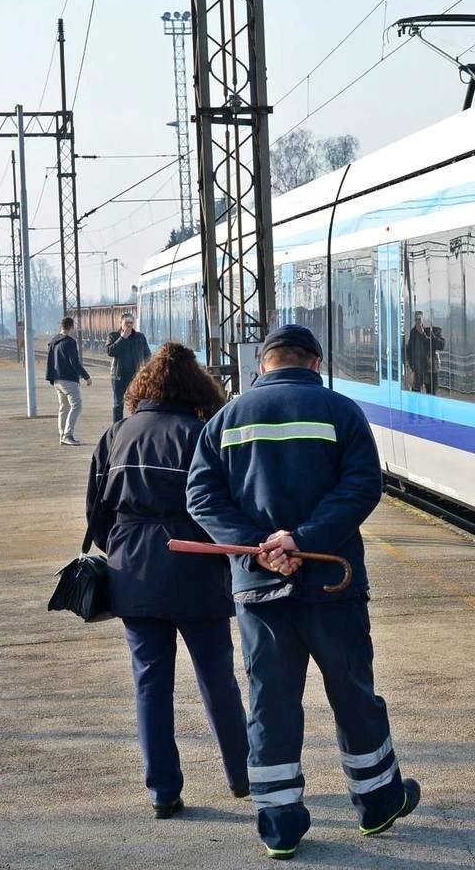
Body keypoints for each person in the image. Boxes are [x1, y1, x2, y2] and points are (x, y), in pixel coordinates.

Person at [186, 324, 419, 860]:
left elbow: (200, 494)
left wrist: (258, 546)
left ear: (262, 365)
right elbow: (362, 485)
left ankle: (279, 823)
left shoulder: (225, 420)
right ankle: (379, 800)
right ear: (315, 363)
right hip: (331, 583)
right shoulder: (340, 412)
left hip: (258, 590)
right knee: (353, 693)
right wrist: (302, 540)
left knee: (270, 703)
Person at [84, 342, 250, 818]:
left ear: (144, 386)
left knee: (150, 684)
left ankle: (163, 792)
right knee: (218, 678)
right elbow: (227, 506)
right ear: (196, 387)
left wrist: (122, 548)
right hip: (198, 567)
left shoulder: (115, 436)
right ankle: (242, 776)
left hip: (133, 572)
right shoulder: (203, 434)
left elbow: (96, 515)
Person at [46, 316, 93, 446]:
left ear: (61, 326)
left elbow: (49, 361)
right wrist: (86, 376)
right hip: (68, 380)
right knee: (77, 406)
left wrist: (51, 378)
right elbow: (75, 363)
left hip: (57, 380)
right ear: (71, 327)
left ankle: (62, 435)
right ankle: (68, 434)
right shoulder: (69, 342)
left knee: (64, 407)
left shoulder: (54, 341)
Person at [106, 312, 153, 423]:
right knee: (118, 403)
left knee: (139, 401)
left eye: (131, 323)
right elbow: (110, 351)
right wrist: (122, 338)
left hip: (136, 375)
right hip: (119, 375)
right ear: (121, 323)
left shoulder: (140, 337)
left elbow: (147, 355)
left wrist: (148, 370)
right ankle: (117, 426)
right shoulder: (113, 336)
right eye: (126, 323)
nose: (129, 325)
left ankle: (138, 425)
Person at [404, 311, 435, 393]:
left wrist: (422, 333)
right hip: (416, 368)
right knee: (415, 390)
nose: (418, 321)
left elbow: (431, 345)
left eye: (419, 319)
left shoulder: (427, 331)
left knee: (429, 391)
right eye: (416, 319)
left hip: (426, 368)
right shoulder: (412, 332)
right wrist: (411, 364)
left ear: (422, 320)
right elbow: (409, 349)